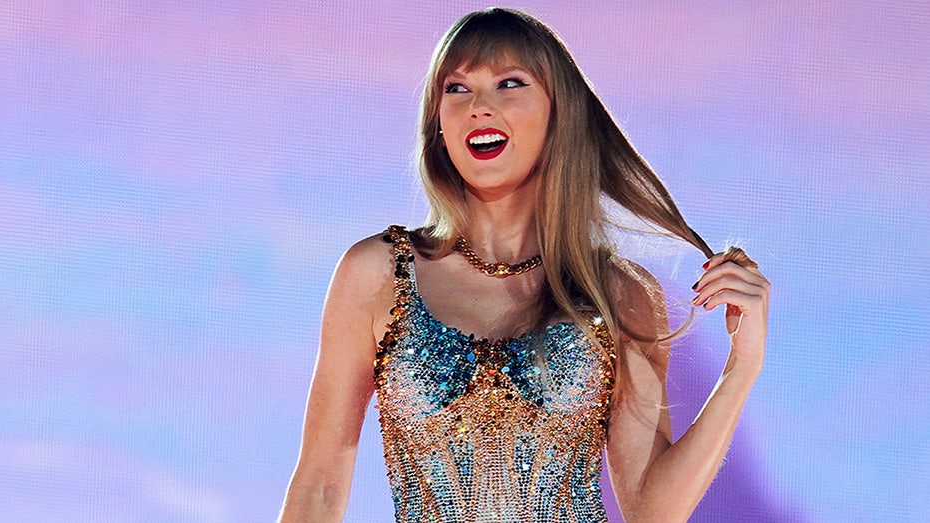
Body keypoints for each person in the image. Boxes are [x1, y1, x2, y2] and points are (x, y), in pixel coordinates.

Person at [279, 7, 770, 523]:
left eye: (509, 84)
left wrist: (743, 366)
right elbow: (319, 489)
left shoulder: (617, 293)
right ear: (438, 124)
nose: (479, 107)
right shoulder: (378, 273)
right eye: (457, 89)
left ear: (559, 115)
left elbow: (653, 510)